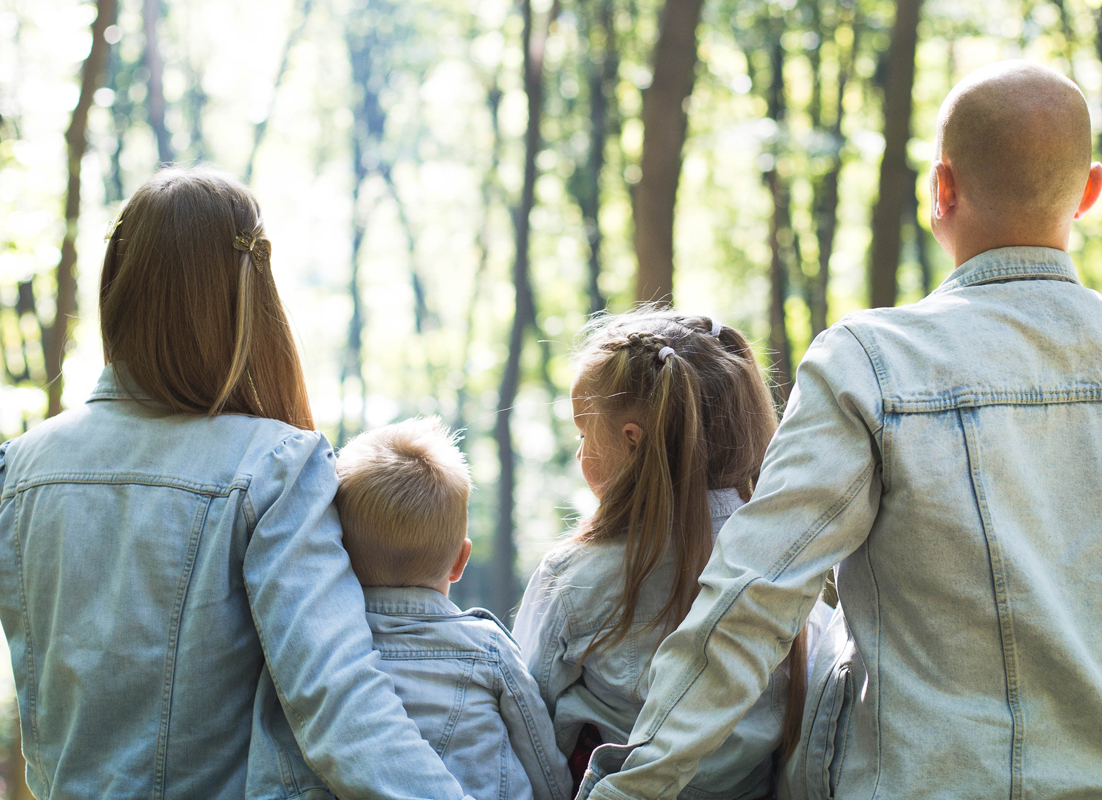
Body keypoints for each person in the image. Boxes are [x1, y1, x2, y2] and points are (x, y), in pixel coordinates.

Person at [574, 61, 1102, 800]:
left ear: (942, 188)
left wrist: (633, 784)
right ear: (1091, 191)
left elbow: (751, 598)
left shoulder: (871, 364)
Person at [0, 168, 473, 799]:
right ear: (251, 296)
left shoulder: (20, 469)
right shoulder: (275, 465)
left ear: (115, 286)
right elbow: (341, 707)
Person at [513, 310, 835, 798]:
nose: (579, 454)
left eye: (583, 435)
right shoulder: (788, 572)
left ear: (632, 442)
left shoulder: (574, 577)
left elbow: (524, 714)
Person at [332, 417, 571, 800]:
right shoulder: (487, 649)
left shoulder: (326, 650)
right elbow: (544, 766)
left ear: (338, 554)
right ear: (460, 560)